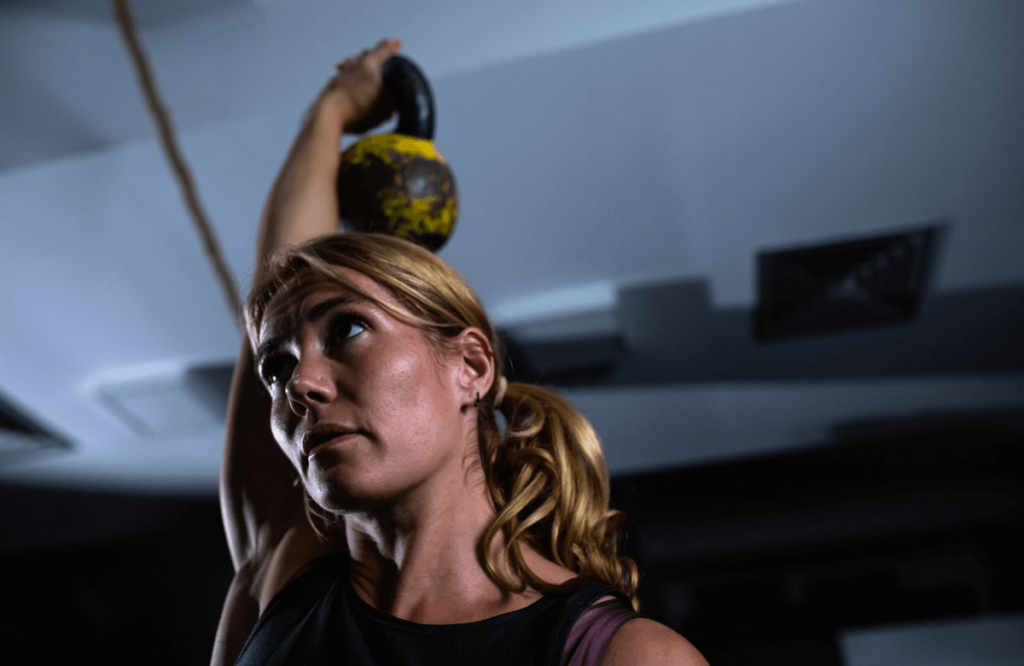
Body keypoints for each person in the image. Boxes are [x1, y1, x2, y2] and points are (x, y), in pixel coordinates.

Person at [211, 39, 708, 666]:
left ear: (470, 366)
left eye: (348, 330)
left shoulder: (623, 656)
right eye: (276, 367)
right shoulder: (283, 574)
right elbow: (277, 274)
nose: (299, 384)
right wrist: (330, 110)